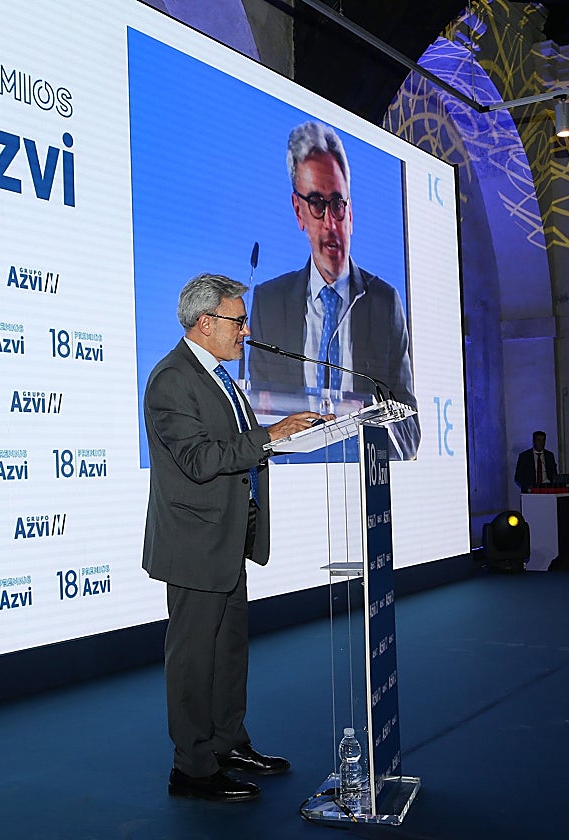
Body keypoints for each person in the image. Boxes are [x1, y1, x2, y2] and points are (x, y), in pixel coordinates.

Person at [142, 274, 327, 802]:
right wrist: (271, 435)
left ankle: (228, 743)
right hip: (194, 544)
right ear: (206, 323)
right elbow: (201, 460)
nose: (246, 330)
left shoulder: (220, 377)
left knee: (228, 653)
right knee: (193, 658)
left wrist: (290, 435)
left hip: (227, 539)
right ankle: (194, 768)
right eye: (238, 320)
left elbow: (232, 445)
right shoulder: (171, 379)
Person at [248, 120, 420, 459]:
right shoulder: (269, 303)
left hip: (365, 482)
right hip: (296, 486)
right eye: (316, 203)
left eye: (338, 204)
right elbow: (259, 421)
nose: (330, 223)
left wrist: (370, 430)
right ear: (298, 211)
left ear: (351, 212)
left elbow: (410, 431)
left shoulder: (383, 302)